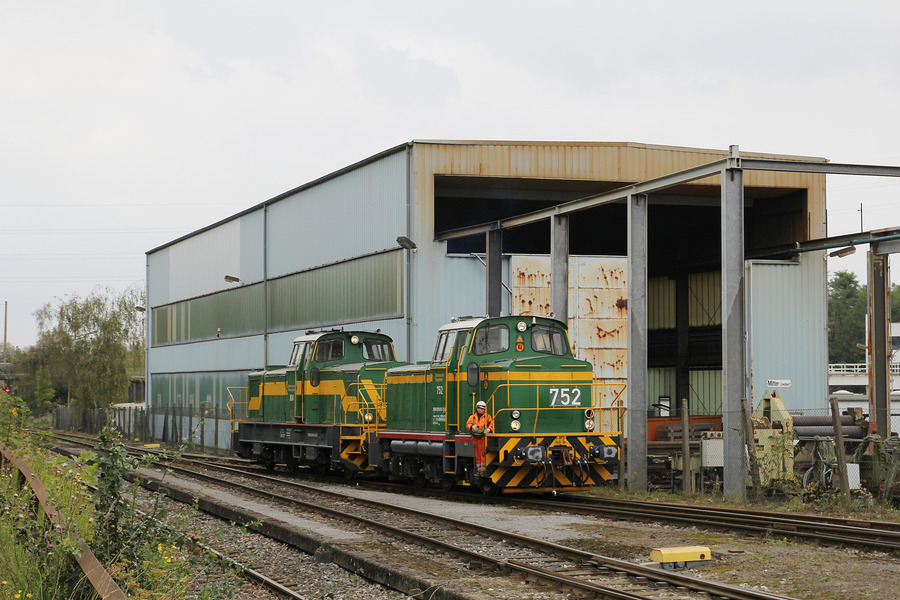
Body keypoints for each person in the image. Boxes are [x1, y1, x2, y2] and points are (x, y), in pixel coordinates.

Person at [466, 400, 493, 476]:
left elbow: (491, 425)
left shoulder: (488, 417)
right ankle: (479, 470)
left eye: (484, 409)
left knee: (483, 454)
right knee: (477, 455)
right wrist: (471, 427)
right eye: (481, 408)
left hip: (483, 438)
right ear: (477, 408)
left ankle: (483, 470)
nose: (483, 410)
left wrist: (489, 429)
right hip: (475, 438)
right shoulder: (472, 417)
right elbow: (468, 424)